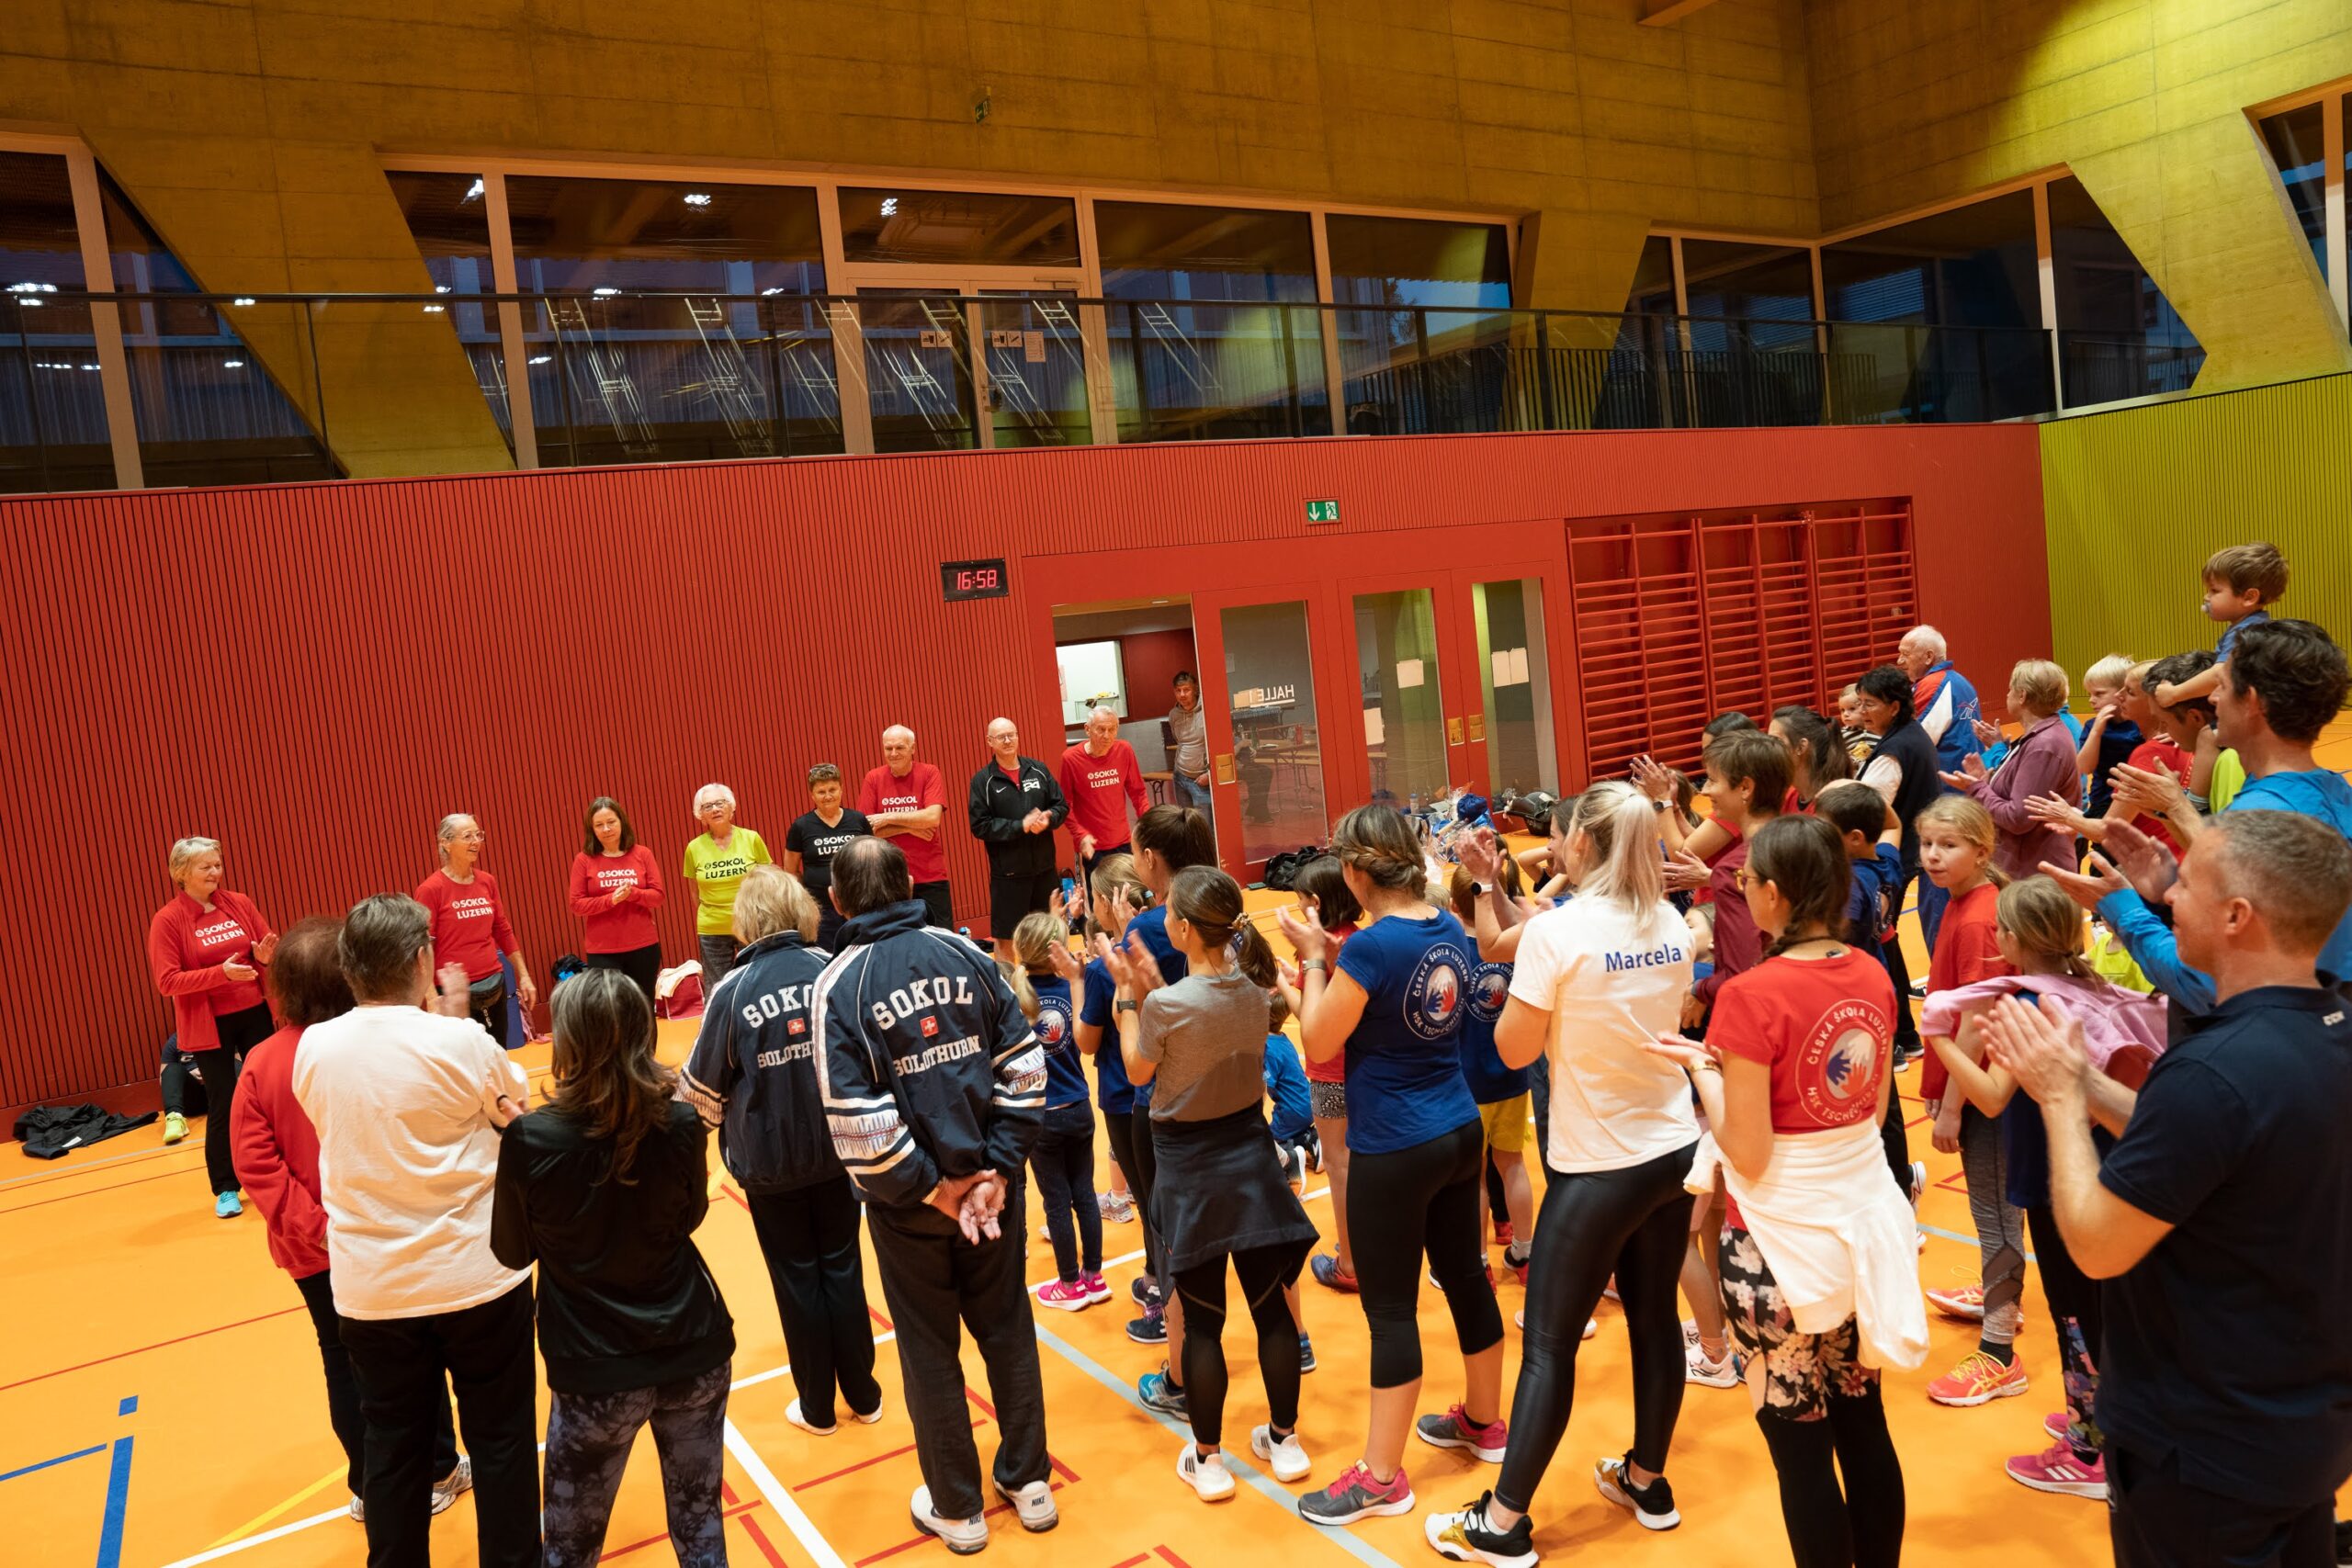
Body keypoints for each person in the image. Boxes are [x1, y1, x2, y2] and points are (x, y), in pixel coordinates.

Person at [1982, 811, 2352, 1568]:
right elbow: (2211, 1146)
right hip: (2302, 1425)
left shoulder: (2210, 1072)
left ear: (2237, 915)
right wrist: (2085, 1081)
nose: (2169, 896)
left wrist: (2059, 1100)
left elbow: (2095, 1244)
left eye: (2186, 883)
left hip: (2200, 1448)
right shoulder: (2329, 1025)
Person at [1644, 815, 1926, 1568]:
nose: (1741, 891)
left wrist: (1702, 1069)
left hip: (1777, 1243)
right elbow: (1867, 1108)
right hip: (1860, 1227)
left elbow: (1749, 1149)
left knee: (1800, 1449)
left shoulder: (1750, 993)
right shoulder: (1871, 971)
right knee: (1864, 1422)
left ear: (1773, 892)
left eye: (1745, 882)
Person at [1427, 785, 1699, 1563]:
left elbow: (1514, 1050)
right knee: (1654, 1318)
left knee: (1548, 1344)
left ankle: (1502, 1522)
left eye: (1557, 835)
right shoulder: (1670, 921)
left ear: (1580, 842)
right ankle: (1647, 1480)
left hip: (1599, 1166)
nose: (1551, 845)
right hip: (1672, 1150)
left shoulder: (1559, 931)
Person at [810, 837, 1055, 1554]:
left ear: (837, 900)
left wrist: (935, 1190)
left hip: (914, 1209)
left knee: (927, 1349)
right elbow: (1026, 1065)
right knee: (1008, 1327)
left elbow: (854, 1117)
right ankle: (1030, 1482)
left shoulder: (837, 984)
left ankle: (958, 1507)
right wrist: (997, 1173)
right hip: (992, 1196)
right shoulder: (968, 953)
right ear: (912, 884)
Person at [291, 893, 539, 1568]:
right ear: (424, 960)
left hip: (374, 1289)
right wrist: (454, 1027)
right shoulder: (459, 1039)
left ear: (350, 968)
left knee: (394, 1449)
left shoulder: (314, 1047)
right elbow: (514, 1107)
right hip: (476, 1276)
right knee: (502, 1439)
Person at [1279, 805, 1505, 1529]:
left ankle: (1380, 1478)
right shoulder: (1447, 925)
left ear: (1353, 871)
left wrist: (1317, 959)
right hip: (1457, 1128)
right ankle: (1484, 1420)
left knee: (1390, 1312)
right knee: (1466, 1275)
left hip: (1395, 1146)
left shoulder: (1371, 948)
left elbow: (1319, 1039)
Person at [1920, 875, 2167, 1502]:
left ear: (2012, 939)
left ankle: (2088, 1450)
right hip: (2109, 1167)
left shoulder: (2030, 1003)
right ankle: (2109, 1420)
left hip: (2063, 1179)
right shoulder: (2088, 983)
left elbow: (1992, 1095)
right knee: (2106, 1310)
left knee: (2076, 1316)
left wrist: (1940, 1038)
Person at [492, 970, 735, 1568]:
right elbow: (690, 1217)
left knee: (571, 1549)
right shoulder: (682, 1123)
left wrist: (524, 1147)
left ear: (569, 1042)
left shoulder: (531, 1138)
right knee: (701, 1524)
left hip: (596, 1369)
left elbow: (513, 1252)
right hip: (694, 1347)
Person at [231, 918, 468, 1526]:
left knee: (342, 1357)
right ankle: (438, 1467)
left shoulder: (260, 1061)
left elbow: (255, 1165)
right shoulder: (365, 1048)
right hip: (382, 1235)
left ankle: (371, 1483)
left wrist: (313, 1226)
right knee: (416, 1350)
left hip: (320, 1249)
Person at [1100, 866, 1321, 1501]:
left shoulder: (1166, 1005)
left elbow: (1139, 1068)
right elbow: (1202, 1022)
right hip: (1251, 1158)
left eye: (1170, 910)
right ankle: (1285, 1441)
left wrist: (1127, 997)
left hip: (1190, 1169)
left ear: (1186, 929)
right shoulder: (1255, 992)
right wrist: (1153, 992)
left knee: (1202, 1324)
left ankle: (1209, 1459)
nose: (1164, 917)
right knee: (1272, 1309)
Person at [2046, 619, 2352, 1015]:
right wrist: (2175, 880)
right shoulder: (2335, 790)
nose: (2212, 700)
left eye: (2219, 687)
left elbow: (2206, 986)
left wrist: (2123, 908)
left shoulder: (2259, 819)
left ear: (2252, 702)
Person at [681, 865, 882, 1438]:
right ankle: (864, 1395)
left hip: (770, 1167)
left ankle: (817, 1407)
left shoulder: (732, 991)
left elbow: (700, 1096)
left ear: (745, 921)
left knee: (797, 1279)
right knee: (843, 1266)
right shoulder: (832, 968)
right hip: (841, 1153)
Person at [1912, 795, 2032, 1406]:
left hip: (1988, 1098)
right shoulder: (1965, 903)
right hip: (1975, 1089)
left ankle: (1999, 1351)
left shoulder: (1980, 918)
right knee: (1997, 1212)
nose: (1933, 855)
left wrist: (1953, 1104)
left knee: (1994, 1214)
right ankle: (2000, 1300)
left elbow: (1976, 1023)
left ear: (1982, 852)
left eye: (1948, 845)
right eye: (1927, 843)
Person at [147, 835, 278, 1215]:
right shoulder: (168, 920)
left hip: (254, 1011)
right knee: (224, 1102)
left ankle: (280, 1170)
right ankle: (226, 1188)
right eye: (205, 866)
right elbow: (167, 981)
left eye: (217, 864)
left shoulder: (239, 903)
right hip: (210, 1024)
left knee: (270, 1095)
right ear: (181, 873)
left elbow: (266, 949)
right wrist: (220, 974)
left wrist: (265, 958)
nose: (215, 872)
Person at [1007, 911, 1106, 1313]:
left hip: (1043, 1115)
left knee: (1057, 1202)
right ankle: (1094, 1277)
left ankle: (1069, 1284)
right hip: (1079, 1106)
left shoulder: (1015, 998)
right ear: (1056, 951)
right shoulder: (1071, 987)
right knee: (1085, 1194)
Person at [1445, 864, 1534, 1285]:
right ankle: (1525, 1252)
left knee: (1474, 1176)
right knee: (1513, 1165)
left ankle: (1478, 1263)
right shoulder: (1514, 947)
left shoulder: (1451, 952)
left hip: (1468, 1081)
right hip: (1512, 1074)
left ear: (1452, 906)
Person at [1852, 662, 1941, 1041]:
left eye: (1869, 704)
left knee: (1880, 936)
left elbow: (1865, 810)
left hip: (1895, 857)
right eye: (1859, 703)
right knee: (1886, 934)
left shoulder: (1893, 753)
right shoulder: (1912, 735)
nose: (1862, 712)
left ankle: (1902, 1032)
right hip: (1909, 851)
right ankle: (1904, 1031)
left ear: (1894, 706)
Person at [1291, 856, 1366, 1294]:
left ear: (1316, 903)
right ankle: (1367, 1246)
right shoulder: (1359, 940)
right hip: (1364, 1072)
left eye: (1301, 900)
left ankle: (1350, 1264)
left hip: (1329, 1074)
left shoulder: (1317, 949)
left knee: (1339, 1166)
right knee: (1363, 1162)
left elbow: (1310, 1020)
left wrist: (1283, 984)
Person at [1684, 729, 1792, 1030]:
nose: (1705, 791)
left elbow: (1740, 971)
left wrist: (1700, 989)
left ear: (1745, 787)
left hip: (1762, 1016)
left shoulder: (1736, 867)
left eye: (1712, 780)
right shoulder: (1806, 840)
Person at [1939, 659, 2081, 881]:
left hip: (2034, 878)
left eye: (2010, 690)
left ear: (2022, 696)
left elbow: (2017, 818)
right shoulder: (2041, 736)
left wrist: (1978, 788)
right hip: (2029, 871)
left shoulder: (2044, 745)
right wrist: (1995, 754)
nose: (2007, 695)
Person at [418, 814, 538, 1050]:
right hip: (454, 993)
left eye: (478, 835)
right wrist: (431, 998)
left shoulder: (487, 881)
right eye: (467, 836)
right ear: (445, 843)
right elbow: (422, 947)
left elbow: (503, 929)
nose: (476, 841)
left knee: (497, 1053)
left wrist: (523, 975)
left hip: (494, 985)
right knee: (463, 1059)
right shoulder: (430, 889)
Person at [967, 716, 1069, 964]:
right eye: (1001, 737)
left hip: (1045, 870)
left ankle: (1054, 981)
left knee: (1051, 932)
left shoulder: (1038, 769)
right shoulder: (983, 781)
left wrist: (1049, 818)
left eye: (1011, 735)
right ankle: (1009, 986)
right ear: (990, 741)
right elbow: (980, 826)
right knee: (1006, 939)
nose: (1007, 740)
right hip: (1008, 876)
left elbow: (1061, 805)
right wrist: (1020, 826)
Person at [2151, 540, 2288, 711]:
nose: (2206, 597)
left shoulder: (2245, 633)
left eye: (2214, 591)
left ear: (2249, 597)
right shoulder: (2252, 626)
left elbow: (2220, 675)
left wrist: (2175, 693)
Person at [570, 796, 664, 1006]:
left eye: (611, 822)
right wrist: (610, 900)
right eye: (599, 825)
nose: (606, 829)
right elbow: (576, 905)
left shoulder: (642, 854)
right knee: (611, 1012)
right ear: (592, 829)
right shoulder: (584, 860)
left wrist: (633, 894)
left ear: (622, 821)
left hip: (643, 946)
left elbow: (658, 897)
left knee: (643, 1008)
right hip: (603, 951)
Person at [861, 726, 955, 930]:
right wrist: (911, 827)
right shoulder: (873, 778)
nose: (893, 753)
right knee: (896, 939)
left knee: (942, 937)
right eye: (888, 748)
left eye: (900, 747)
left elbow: (932, 818)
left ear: (913, 748)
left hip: (930, 875)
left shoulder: (929, 772)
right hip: (888, 878)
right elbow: (867, 830)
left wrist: (887, 818)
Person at [683, 783, 771, 987]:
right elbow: (695, 892)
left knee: (758, 983)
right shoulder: (693, 848)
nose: (715, 809)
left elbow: (767, 880)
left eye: (720, 803)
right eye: (708, 806)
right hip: (712, 928)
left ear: (731, 807)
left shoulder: (751, 838)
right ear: (700, 815)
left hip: (750, 923)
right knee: (717, 987)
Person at [1059, 705, 1149, 888]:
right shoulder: (1071, 758)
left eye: (1112, 729)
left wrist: (1148, 824)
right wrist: (1080, 835)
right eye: (1101, 729)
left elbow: (1138, 792)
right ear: (1087, 729)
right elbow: (1065, 804)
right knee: (1101, 899)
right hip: (1092, 846)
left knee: (1130, 895)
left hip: (1123, 841)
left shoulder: (1124, 750)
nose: (1107, 735)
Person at [784, 763, 870, 953]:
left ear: (841, 789)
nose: (828, 796)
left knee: (862, 953)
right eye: (821, 792)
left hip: (858, 905)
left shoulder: (858, 820)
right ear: (812, 795)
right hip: (821, 911)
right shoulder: (801, 826)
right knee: (828, 956)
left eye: (832, 789)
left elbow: (872, 859)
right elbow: (791, 871)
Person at [1896, 624, 1984, 783]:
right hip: (1969, 777)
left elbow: (1914, 744)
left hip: (1949, 782)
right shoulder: (1960, 681)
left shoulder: (1933, 685)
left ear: (1929, 657)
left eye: (1906, 654)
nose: (1899, 660)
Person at [1770, 705, 1853, 809]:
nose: (1769, 747)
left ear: (1801, 747)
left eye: (1776, 741)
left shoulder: (1833, 806)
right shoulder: (1788, 795)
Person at [1167, 671, 1213, 815]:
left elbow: (1221, 745)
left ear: (1195, 689)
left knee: (1205, 825)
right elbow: (1179, 740)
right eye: (1178, 690)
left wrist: (1210, 774)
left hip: (1202, 780)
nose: (1182, 694)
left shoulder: (1208, 710)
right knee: (1186, 823)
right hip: (1180, 777)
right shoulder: (1173, 715)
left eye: (1186, 690)